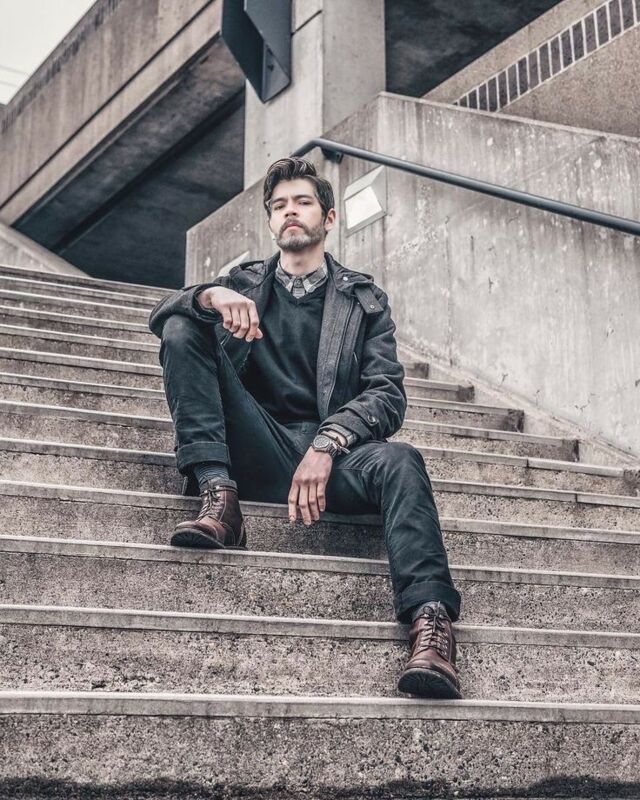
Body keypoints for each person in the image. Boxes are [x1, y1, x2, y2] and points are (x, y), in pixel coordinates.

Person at [149, 156, 463, 699]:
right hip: (258, 445)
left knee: (402, 460)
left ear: (329, 218)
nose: (289, 212)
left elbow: (387, 394)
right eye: (279, 206)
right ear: (271, 222)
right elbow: (163, 314)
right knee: (181, 325)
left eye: (302, 202)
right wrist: (209, 295)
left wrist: (327, 442)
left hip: (333, 459)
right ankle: (219, 497)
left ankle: (431, 627)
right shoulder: (242, 284)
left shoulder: (363, 301)